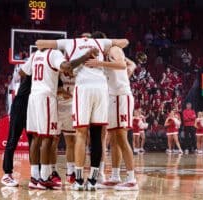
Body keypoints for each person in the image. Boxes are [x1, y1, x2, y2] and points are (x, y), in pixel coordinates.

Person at [36, 34, 129, 191]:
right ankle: (93, 180)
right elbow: (125, 41)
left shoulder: (70, 42)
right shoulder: (100, 42)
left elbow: (39, 42)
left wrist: (55, 48)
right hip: (101, 88)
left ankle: (78, 180)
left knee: (80, 134)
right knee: (97, 135)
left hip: (84, 88)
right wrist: (111, 47)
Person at [20, 47, 97, 190]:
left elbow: (21, 72)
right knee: (49, 139)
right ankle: (47, 175)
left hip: (46, 100)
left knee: (43, 138)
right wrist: (61, 90)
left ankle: (42, 176)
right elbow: (64, 71)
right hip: (51, 101)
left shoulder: (37, 55)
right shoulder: (56, 58)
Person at [85, 36, 138, 190]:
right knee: (114, 139)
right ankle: (115, 176)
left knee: (122, 137)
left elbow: (122, 65)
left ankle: (131, 179)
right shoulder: (103, 55)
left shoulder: (114, 49)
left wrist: (99, 63)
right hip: (112, 97)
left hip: (122, 97)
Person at [57, 71, 76, 184]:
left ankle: (70, 171)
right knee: (52, 141)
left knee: (71, 142)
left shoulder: (78, 71)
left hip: (71, 107)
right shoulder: (58, 70)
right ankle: (50, 171)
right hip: (57, 106)